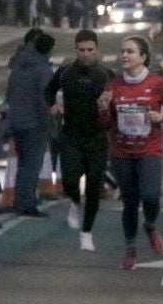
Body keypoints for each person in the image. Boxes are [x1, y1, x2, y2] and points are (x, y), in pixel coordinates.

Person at [98, 36, 163, 270]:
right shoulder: (113, 85)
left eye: (130, 52)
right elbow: (105, 124)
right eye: (123, 51)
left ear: (143, 57)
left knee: (151, 195)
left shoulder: (158, 83)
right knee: (130, 202)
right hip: (121, 151)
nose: (124, 56)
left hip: (149, 149)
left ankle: (151, 224)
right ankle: (130, 248)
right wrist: (103, 109)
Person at [47, 30, 113, 252]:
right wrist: (53, 106)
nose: (85, 54)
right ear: (75, 50)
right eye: (81, 50)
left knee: (94, 187)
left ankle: (87, 232)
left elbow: (120, 100)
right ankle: (75, 203)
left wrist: (109, 106)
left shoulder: (106, 74)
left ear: (97, 50)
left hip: (97, 138)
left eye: (90, 50)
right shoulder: (65, 73)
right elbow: (48, 91)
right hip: (71, 136)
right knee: (69, 182)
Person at [5, 30, 56, 217]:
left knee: (22, 165)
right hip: (35, 123)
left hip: (17, 120)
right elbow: (45, 99)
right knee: (32, 165)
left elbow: (9, 92)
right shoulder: (43, 69)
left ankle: (20, 200)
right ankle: (26, 203)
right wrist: (48, 122)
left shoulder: (19, 65)